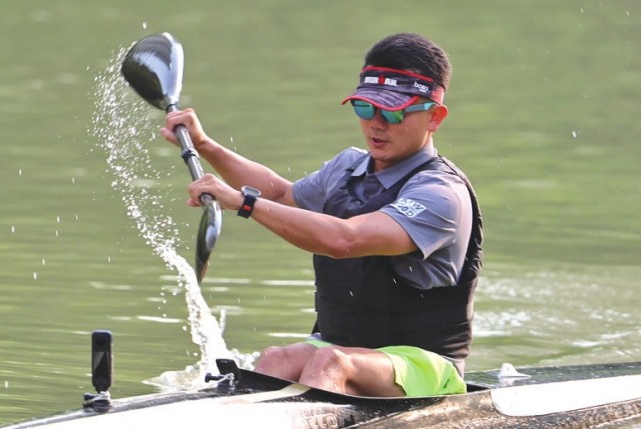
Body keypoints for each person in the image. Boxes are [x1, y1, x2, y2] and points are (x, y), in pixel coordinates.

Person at [160, 33, 482, 398]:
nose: (376, 124)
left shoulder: (441, 193)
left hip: (427, 365)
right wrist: (204, 145)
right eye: (366, 109)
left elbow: (345, 239)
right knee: (276, 359)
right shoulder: (347, 167)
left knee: (332, 363)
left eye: (393, 112)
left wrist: (243, 203)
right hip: (342, 347)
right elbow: (279, 195)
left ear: (434, 117)